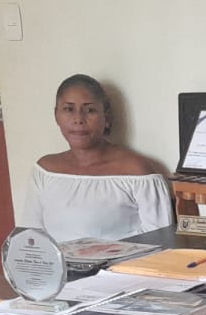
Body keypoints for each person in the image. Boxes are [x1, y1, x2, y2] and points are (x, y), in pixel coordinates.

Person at [18, 74, 171, 240]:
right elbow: (30, 238)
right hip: (54, 259)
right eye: (68, 109)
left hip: (120, 258)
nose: (78, 119)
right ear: (56, 116)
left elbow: (161, 241)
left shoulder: (137, 171)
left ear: (107, 118)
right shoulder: (45, 170)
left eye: (90, 110)